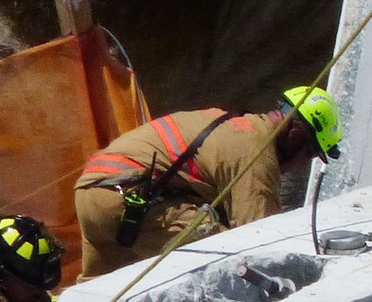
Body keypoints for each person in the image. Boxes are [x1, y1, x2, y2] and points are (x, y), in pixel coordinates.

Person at [73, 86, 344, 280]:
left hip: (92, 192)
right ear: (295, 136)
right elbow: (263, 242)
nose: (302, 166)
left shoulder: (237, 124)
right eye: (309, 154)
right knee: (221, 253)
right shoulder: (257, 151)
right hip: (127, 201)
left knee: (98, 291)